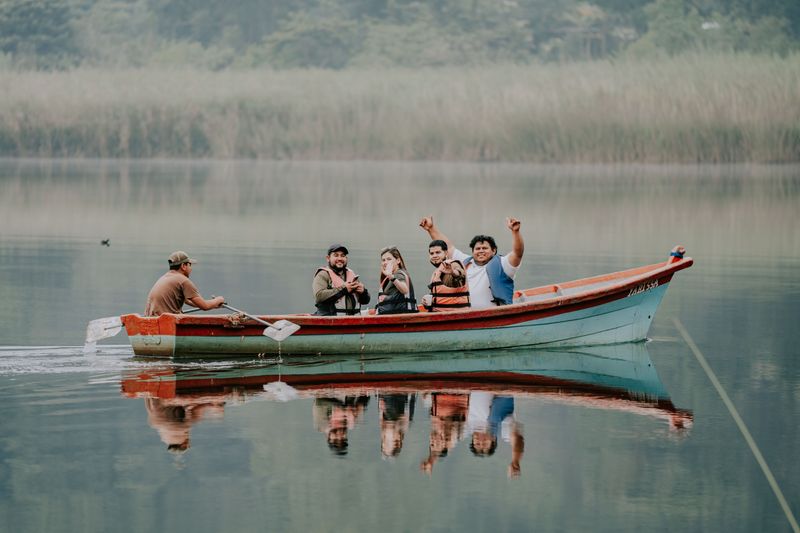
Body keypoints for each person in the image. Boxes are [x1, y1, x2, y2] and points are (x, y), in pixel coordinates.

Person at [420, 216, 524, 308]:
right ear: (473, 251)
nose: (481, 251)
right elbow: (449, 247)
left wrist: (515, 232)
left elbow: (517, 253)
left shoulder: (503, 264)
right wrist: (431, 229)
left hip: (494, 315)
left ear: (494, 251)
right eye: (477, 249)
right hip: (464, 314)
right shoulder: (465, 262)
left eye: (485, 248)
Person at [144, 250, 225, 317]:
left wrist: (213, 304)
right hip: (166, 322)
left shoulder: (165, 277)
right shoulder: (184, 281)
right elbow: (205, 306)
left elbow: (188, 301)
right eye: (190, 265)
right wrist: (218, 300)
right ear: (183, 266)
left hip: (151, 319)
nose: (191, 269)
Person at [467, 392, 525, 478]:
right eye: (485, 444)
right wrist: (515, 460)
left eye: (477, 444)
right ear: (493, 440)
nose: (481, 441)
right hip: (502, 389)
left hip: (477, 385)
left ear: (472, 439)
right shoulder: (502, 429)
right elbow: (517, 439)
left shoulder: (469, 425)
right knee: (495, 419)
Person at [313, 244, 370, 316]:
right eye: (336, 255)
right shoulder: (323, 274)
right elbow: (319, 296)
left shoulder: (351, 274)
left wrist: (363, 292)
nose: (340, 258)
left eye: (342, 256)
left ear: (346, 258)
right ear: (328, 258)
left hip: (353, 322)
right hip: (330, 322)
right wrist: (344, 289)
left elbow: (365, 301)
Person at [421, 239, 470, 312]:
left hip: (454, 316)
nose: (434, 256)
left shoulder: (452, 264)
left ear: (446, 253)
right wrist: (426, 301)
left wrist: (453, 272)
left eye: (438, 252)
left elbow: (460, 274)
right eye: (432, 253)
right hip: (438, 314)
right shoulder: (438, 271)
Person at [376, 246, 418, 314]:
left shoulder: (398, 274)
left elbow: (405, 290)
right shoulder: (390, 276)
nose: (385, 262)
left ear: (398, 260)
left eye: (389, 259)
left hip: (400, 316)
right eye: (383, 260)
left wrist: (391, 277)